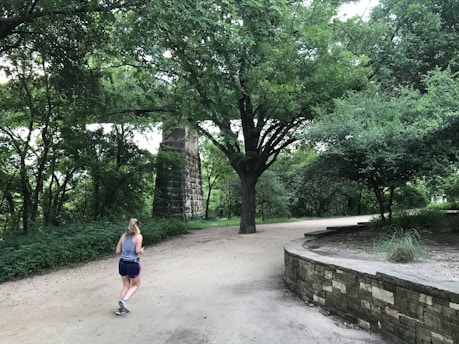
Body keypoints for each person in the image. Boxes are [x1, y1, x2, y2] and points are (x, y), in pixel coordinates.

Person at [115, 218, 144, 315]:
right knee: (135, 285)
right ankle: (124, 301)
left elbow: (117, 251)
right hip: (132, 264)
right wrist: (141, 251)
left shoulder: (123, 236)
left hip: (122, 263)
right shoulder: (139, 236)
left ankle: (121, 308)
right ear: (138, 225)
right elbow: (137, 251)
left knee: (125, 285)